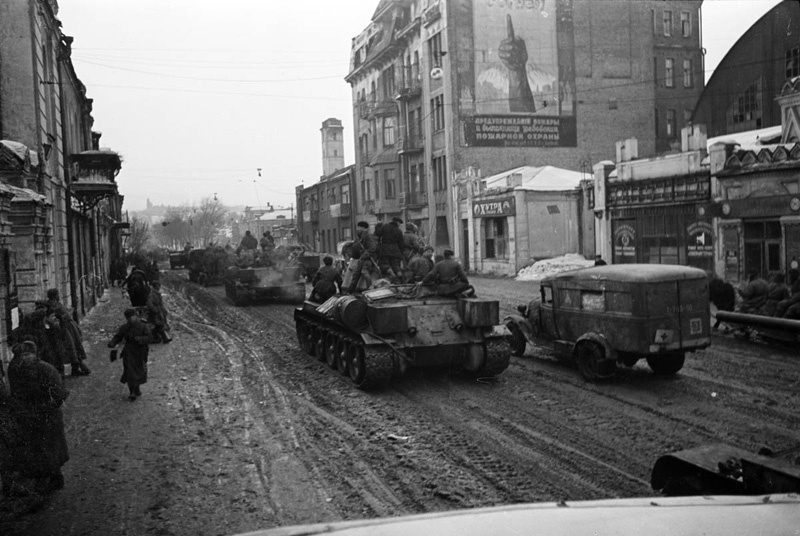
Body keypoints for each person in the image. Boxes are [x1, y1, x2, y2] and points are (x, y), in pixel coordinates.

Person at [1, 341, 69, 497]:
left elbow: (59, 393)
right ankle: (46, 478)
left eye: (28, 354)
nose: (24, 358)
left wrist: (46, 407)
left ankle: (55, 477)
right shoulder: (16, 369)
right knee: (36, 448)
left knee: (50, 446)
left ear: (35, 354)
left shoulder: (46, 369)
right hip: (28, 415)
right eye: (21, 356)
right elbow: (16, 392)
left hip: (48, 415)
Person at [108, 309, 152, 401]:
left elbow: (149, 338)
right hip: (129, 352)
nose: (130, 319)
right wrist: (112, 342)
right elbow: (118, 336)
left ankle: (137, 388)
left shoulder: (143, 326)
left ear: (136, 316)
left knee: (139, 372)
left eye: (132, 317)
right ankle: (132, 391)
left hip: (140, 352)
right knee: (129, 372)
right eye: (128, 318)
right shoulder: (124, 327)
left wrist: (140, 339)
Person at [47, 289, 90, 376]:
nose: (58, 296)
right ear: (55, 295)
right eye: (57, 294)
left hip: (69, 327)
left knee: (74, 346)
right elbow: (62, 315)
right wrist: (69, 312)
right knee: (72, 347)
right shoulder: (54, 305)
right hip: (65, 328)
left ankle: (77, 367)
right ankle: (76, 367)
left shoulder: (53, 304)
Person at [346, 221, 380, 293]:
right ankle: (350, 291)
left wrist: (364, 255)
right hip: (362, 258)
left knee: (364, 272)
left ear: (363, 227)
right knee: (356, 274)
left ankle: (370, 290)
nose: (357, 229)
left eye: (358, 227)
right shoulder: (360, 236)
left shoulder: (368, 236)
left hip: (367, 259)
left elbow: (372, 247)